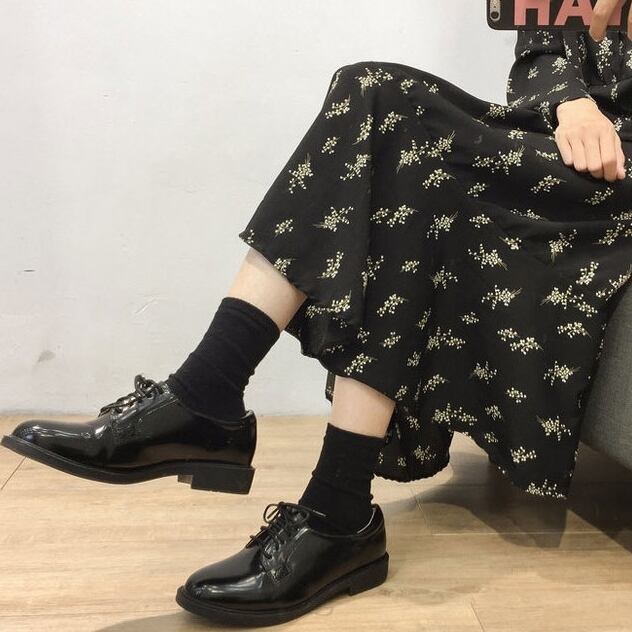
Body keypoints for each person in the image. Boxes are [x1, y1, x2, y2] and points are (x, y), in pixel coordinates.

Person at [2, 23, 631, 627]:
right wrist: (571, 100)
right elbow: (538, 51)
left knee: (397, 129)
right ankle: (324, 500)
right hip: (563, 149)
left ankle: (224, 416)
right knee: (374, 98)